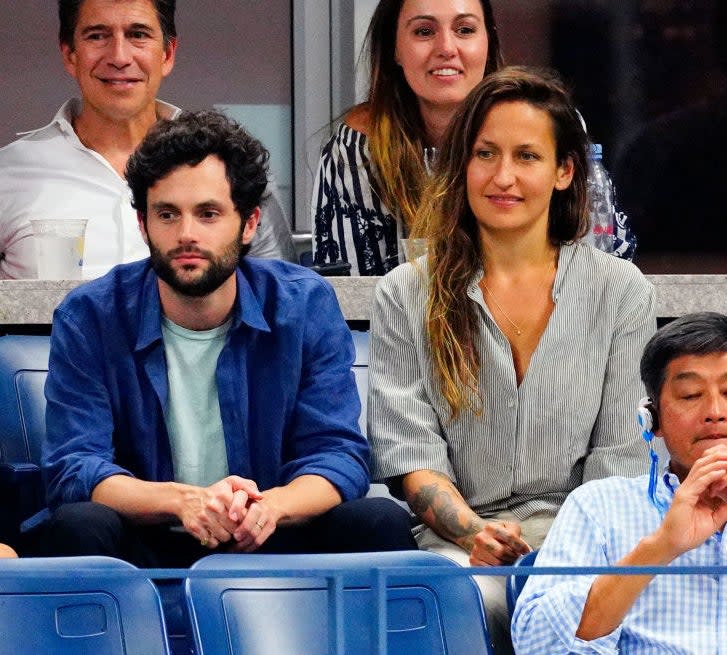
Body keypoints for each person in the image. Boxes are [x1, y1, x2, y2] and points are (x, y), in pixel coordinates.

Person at [36, 110, 416, 566]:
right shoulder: (91, 316)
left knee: (378, 521)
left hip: (272, 534)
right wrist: (182, 501)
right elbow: (75, 467)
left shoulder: (303, 305)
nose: (186, 234)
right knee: (78, 525)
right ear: (143, 225)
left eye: (209, 214)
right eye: (167, 214)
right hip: (150, 539)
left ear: (250, 223)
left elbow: (336, 455)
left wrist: (271, 507)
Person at [367, 67, 655, 654]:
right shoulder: (405, 294)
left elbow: (620, 455)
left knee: (566, 601)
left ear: (564, 170)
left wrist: (568, 554)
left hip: (585, 543)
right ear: (463, 166)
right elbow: (411, 457)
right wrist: (476, 533)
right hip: (456, 546)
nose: (503, 177)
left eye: (527, 156)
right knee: (476, 596)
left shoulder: (620, 292)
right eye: (485, 154)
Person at [311, 0, 635, 276]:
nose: (446, 49)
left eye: (464, 30)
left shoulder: (546, 121)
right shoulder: (358, 150)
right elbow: (354, 302)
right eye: (424, 32)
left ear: (488, 41)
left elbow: (611, 255)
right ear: (394, 47)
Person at [0, 0, 295, 280]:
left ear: (168, 54)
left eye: (138, 35)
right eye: (97, 36)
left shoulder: (230, 163)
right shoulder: (8, 174)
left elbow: (278, 303)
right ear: (69, 55)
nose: (119, 57)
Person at [513, 311, 727, 653]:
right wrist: (660, 547)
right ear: (652, 418)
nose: (715, 411)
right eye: (690, 395)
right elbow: (539, 644)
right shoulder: (598, 506)